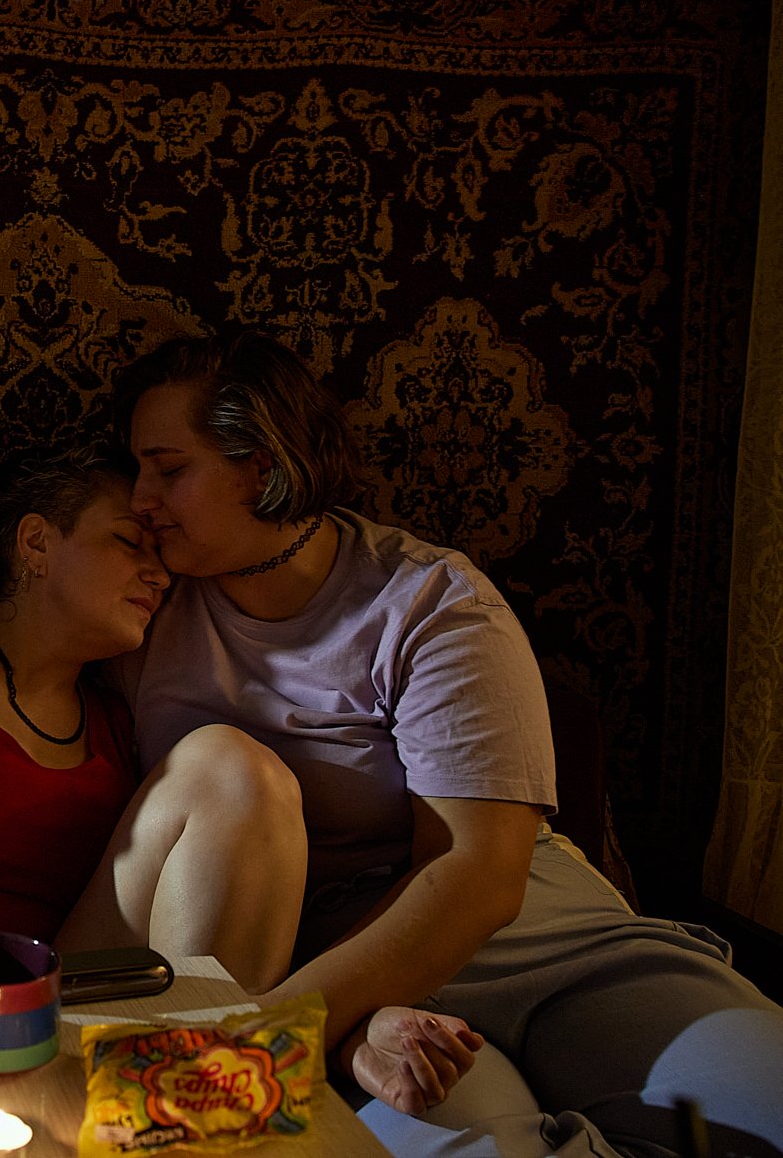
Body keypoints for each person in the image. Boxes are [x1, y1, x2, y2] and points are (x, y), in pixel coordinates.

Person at [116, 330, 783, 1154]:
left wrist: (266, 1035)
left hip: (540, 939)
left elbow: (479, 873)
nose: (139, 495)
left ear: (260, 463)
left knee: (765, 1106)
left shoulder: (430, 600)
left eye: (168, 467)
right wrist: (336, 1027)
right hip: (353, 981)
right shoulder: (142, 611)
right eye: (138, 468)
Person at [0, 446, 480, 1114]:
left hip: (54, 1021)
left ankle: (185, 1100)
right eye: (128, 543)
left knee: (234, 766)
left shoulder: (121, 711)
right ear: (36, 541)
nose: (161, 574)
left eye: (160, 555)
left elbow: (225, 890)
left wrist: (361, 1020)